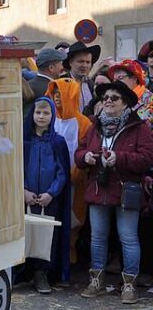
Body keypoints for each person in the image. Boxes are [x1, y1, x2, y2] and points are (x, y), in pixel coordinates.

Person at [76, 79, 153, 304]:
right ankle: (96, 280)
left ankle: (129, 284)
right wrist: (86, 157)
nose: (108, 101)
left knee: (128, 238)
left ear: (126, 103)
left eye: (114, 98)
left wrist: (120, 159)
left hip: (125, 190)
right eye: (105, 98)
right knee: (97, 237)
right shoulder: (94, 126)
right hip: (99, 188)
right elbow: (80, 152)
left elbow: (147, 158)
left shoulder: (139, 128)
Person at [23, 97, 69, 292]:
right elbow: (18, 168)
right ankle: (23, 271)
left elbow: (62, 172)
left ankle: (42, 273)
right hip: (27, 197)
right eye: (38, 112)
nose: (41, 117)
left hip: (49, 200)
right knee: (26, 233)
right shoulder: (25, 140)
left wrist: (52, 192)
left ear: (52, 116)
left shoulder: (58, 142)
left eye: (46, 113)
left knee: (47, 236)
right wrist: (23, 190)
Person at [47, 77, 91, 267]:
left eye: (61, 93)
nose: (57, 97)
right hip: (51, 182)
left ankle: (69, 259)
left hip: (75, 182)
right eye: (54, 93)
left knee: (74, 220)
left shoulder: (84, 123)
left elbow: (85, 150)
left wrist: (75, 175)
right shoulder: (49, 119)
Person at [108, 59, 153, 128]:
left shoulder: (149, 100)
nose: (117, 83)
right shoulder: (113, 99)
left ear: (134, 78)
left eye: (120, 78)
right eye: (114, 80)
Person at [62, 41, 100, 113]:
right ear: (70, 62)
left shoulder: (91, 85)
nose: (84, 65)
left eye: (88, 62)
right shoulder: (61, 83)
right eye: (80, 61)